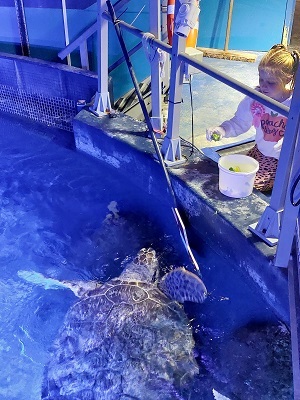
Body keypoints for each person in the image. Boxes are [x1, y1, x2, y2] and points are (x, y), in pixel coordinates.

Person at [206, 44, 300, 191]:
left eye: (271, 82)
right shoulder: (256, 98)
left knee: (251, 186)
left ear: (288, 79)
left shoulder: (295, 102)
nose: (264, 86)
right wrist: (222, 130)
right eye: (261, 79)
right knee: (231, 175)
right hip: (260, 152)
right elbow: (239, 121)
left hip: (283, 161)